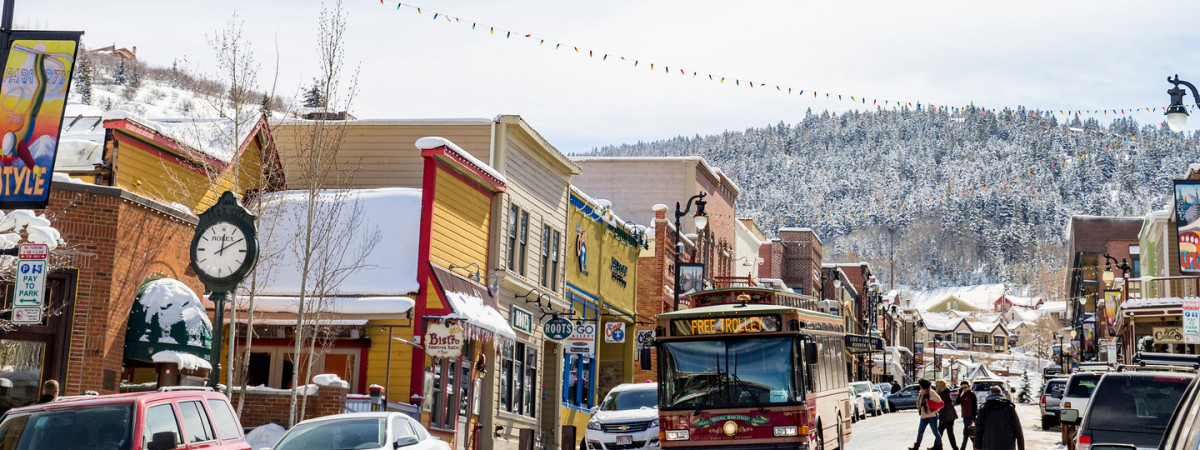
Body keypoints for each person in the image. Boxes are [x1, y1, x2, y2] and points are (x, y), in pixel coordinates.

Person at [975, 385, 1024, 450]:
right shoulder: (1009, 407)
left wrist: (977, 445)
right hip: (1007, 444)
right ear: (1001, 393)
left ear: (990, 393)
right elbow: (1017, 428)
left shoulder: (984, 408)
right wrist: (1021, 447)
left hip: (989, 444)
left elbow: (979, 428)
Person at [909, 379, 943, 450]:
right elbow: (920, 402)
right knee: (920, 431)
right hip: (923, 415)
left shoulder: (930, 392)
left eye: (920, 385)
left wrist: (929, 397)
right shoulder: (921, 392)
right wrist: (918, 405)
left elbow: (938, 399)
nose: (920, 386)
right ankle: (916, 446)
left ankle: (939, 446)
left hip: (932, 415)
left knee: (935, 432)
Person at [936, 380, 959, 450]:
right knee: (940, 431)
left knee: (946, 432)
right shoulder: (945, 393)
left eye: (937, 386)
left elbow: (941, 406)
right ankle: (936, 446)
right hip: (948, 415)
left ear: (940, 386)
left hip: (947, 416)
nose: (936, 387)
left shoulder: (943, 394)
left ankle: (954, 447)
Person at [957, 380, 978, 450]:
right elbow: (957, 402)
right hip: (965, 416)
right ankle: (977, 447)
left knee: (966, 432)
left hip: (970, 416)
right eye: (962, 388)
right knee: (970, 433)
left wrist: (973, 417)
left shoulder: (971, 394)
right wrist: (959, 393)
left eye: (965, 387)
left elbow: (975, 406)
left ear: (968, 387)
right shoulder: (963, 395)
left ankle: (963, 448)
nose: (964, 389)